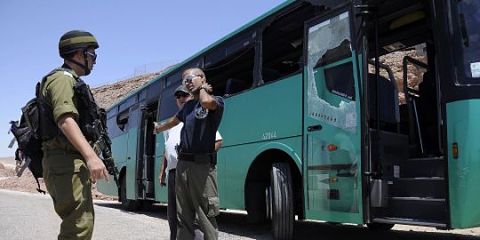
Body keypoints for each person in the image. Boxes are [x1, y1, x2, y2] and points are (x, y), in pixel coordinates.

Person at [40, 30, 109, 240]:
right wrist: (91, 156)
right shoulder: (61, 79)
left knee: (81, 224)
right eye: (92, 55)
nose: (94, 61)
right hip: (65, 161)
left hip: (69, 162)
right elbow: (65, 119)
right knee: (78, 228)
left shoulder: (71, 80)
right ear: (79, 54)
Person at [154, 67, 224, 240]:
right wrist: (159, 128)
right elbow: (173, 121)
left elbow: (207, 103)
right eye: (185, 81)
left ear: (201, 78)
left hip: (202, 167)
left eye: (191, 78)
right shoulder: (187, 108)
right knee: (182, 215)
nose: (187, 83)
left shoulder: (216, 101)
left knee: (205, 215)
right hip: (182, 166)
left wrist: (202, 89)